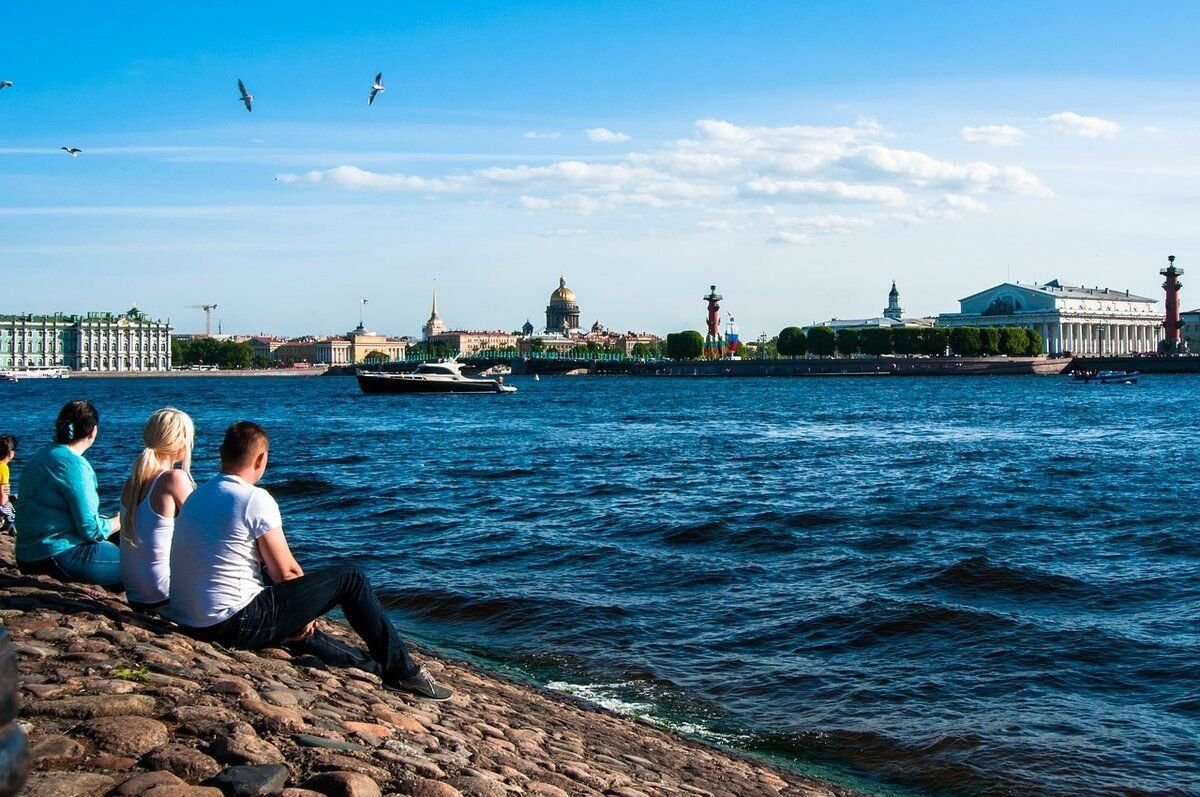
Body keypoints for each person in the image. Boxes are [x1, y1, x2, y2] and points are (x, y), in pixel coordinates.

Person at [169, 421, 450, 700]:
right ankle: (405, 672)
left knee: (287, 610)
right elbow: (286, 572)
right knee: (350, 578)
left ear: (222, 453)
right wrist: (305, 612)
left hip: (190, 620)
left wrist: (298, 611)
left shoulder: (198, 495)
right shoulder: (252, 497)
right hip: (233, 623)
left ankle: (374, 666)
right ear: (261, 458)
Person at [15, 401, 122, 586]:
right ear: (93, 431)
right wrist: (120, 520)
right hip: (58, 557)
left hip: (27, 556)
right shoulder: (75, 466)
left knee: (117, 535)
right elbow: (91, 529)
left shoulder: (42, 455)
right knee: (140, 564)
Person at [119, 408, 195, 613]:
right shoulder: (173, 479)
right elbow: (203, 525)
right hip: (163, 595)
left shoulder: (131, 483)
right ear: (180, 445)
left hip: (136, 594)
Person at [0, 435, 17, 533]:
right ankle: (10, 527)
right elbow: (2, 498)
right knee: (11, 505)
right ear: (11, 453)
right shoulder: (3, 468)